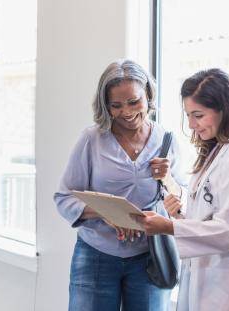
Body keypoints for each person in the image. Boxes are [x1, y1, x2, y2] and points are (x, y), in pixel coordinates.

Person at [134, 68, 229, 311]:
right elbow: (212, 219)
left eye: (198, 115)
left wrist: (169, 226)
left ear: (224, 110)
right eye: (188, 115)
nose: (191, 125)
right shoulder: (217, 153)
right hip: (211, 284)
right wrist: (180, 216)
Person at [53, 59, 183, 311]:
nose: (127, 112)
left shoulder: (166, 140)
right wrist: (108, 213)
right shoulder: (92, 139)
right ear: (106, 106)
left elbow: (185, 202)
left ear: (147, 94)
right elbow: (64, 198)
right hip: (95, 256)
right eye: (116, 105)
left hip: (149, 258)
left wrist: (168, 179)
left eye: (134, 101)